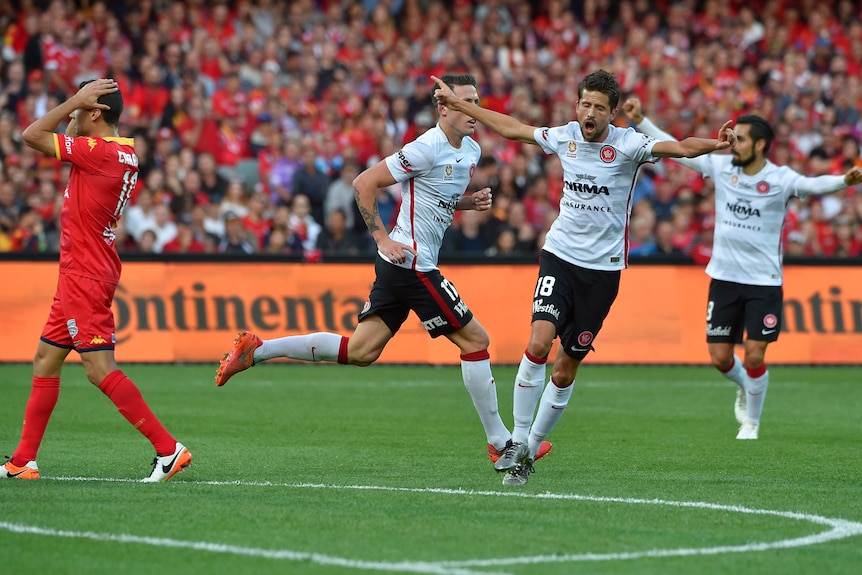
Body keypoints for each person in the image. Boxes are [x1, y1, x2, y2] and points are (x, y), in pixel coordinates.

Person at [215, 74, 550, 469]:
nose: (474, 110)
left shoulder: (471, 151)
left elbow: (434, 196)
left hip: (403, 267)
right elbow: (364, 183)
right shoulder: (426, 147)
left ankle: (258, 350)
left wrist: (466, 204)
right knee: (476, 340)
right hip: (412, 263)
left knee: (361, 351)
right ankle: (500, 442)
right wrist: (382, 240)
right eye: (465, 102)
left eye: (476, 100)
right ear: (444, 108)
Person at [432, 70, 736, 485]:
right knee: (538, 341)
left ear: (612, 113)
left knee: (564, 370)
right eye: (584, 104)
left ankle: (532, 448)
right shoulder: (565, 135)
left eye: (597, 107)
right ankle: (517, 441)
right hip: (560, 256)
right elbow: (512, 128)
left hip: (604, 271)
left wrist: (715, 146)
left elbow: (679, 148)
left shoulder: (629, 144)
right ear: (577, 106)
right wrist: (463, 104)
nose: (588, 112)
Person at [623, 97, 862, 440]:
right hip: (724, 278)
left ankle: (751, 422)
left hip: (763, 283)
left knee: (753, 353)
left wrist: (844, 180)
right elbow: (675, 151)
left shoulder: (780, 179)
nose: (734, 142)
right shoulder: (721, 168)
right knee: (721, 358)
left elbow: (813, 185)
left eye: (742, 138)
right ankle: (745, 385)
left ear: (761, 144)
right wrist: (643, 120)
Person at [2, 79, 191, 482]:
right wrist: (78, 110)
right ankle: (23, 461)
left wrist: (72, 101)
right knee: (46, 358)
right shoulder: (116, 152)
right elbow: (66, 142)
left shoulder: (99, 153)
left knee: (98, 369)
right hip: (84, 268)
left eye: (84, 107)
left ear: (96, 112)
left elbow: (31, 135)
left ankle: (168, 449)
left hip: (84, 273)